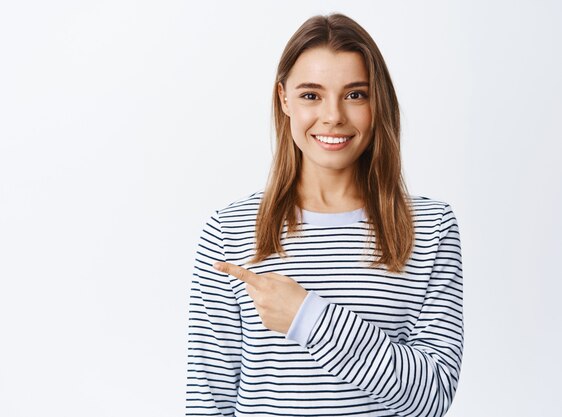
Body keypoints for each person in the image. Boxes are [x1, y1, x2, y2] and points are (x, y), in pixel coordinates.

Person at [185, 12, 463, 417]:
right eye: (311, 95)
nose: (333, 115)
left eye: (355, 94)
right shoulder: (230, 230)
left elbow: (432, 398)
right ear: (284, 99)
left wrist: (307, 317)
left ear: (377, 102)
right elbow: (209, 403)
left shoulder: (430, 228)